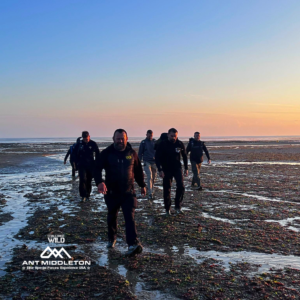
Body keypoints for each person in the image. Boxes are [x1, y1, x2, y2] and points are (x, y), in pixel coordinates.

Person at [94, 129, 146, 257]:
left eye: (122, 138)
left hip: (128, 192)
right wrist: (100, 182)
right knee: (112, 215)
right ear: (113, 139)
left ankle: (132, 244)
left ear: (127, 139)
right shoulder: (107, 153)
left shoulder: (132, 153)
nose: (120, 141)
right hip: (111, 192)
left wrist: (142, 185)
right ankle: (112, 238)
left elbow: (138, 170)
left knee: (130, 217)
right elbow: (96, 168)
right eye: (118, 138)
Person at [155, 128, 188, 216]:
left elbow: (184, 156)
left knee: (181, 186)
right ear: (168, 135)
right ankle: (167, 209)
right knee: (167, 189)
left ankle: (178, 206)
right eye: (172, 136)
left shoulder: (180, 143)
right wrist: (160, 170)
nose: (173, 138)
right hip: (166, 169)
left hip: (177, 168)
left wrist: (186, 168)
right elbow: (157, 158)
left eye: (175, 136)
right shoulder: (163, 144)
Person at [71, 131, 100, 202]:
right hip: (81, 165)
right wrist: (75, 164)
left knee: (89, 180)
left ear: (89, 137)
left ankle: (87, 195)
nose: (86, 140)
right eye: (84, 139)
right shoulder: (79, 144)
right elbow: (74, 154)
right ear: (82, 138)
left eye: (87, 139)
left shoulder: (93, 144)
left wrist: (97, 163)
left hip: (91, 165)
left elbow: (98, 154)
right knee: (82, 179)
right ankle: (83, 196)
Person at [138, 130, 157, 201]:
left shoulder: (155, 142)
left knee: (154, 178)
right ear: (146, 135)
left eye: (151, 135)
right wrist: (138, 162)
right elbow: (140, 153)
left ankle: (151, 188)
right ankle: (150, 193)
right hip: (146, 161)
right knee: (149, 176)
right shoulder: (143, 142)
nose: (150, 136)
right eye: (149, 135)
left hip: (154, 162)